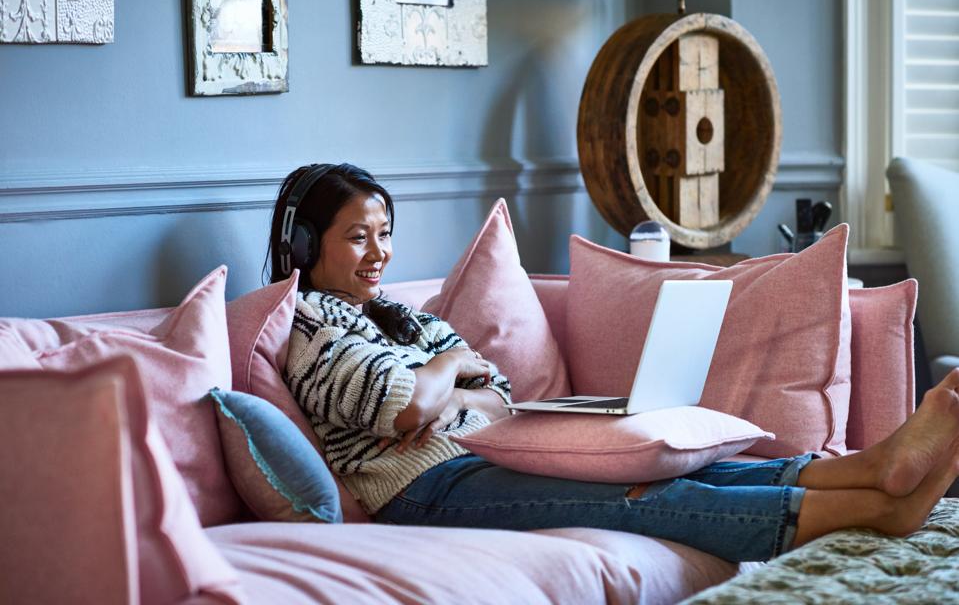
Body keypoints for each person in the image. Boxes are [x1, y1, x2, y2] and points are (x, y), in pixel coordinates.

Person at [267, 162, 959, 563]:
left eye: (384, 234)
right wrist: (445, 375)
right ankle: (885, 511)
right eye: (357, 237)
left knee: (697, 464)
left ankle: (875, 468)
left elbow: (498, 393)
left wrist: (443, 380)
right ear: (304, 243)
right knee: (640, 501)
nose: (379, 253)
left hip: (491, 456)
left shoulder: (398, 317)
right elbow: (409, 406)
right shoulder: (308, 325)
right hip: (425, 494)